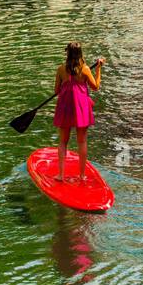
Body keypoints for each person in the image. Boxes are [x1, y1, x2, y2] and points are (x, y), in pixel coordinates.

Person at [53, 41, 105, 184]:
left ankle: (61, 175)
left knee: (63, 141)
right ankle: (82, 176)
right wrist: (98, 69)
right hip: (81, 107)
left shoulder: (61, 69)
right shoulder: (86, 69)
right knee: (82, 141)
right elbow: (95, 87)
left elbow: (56, 91)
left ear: (67, 54)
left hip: (65, 106)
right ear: (80, 54)